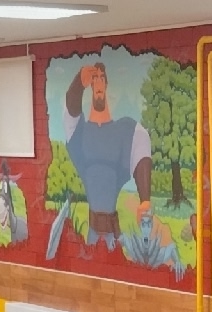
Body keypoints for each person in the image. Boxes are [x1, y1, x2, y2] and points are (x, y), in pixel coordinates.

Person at [61, 62, 152, 251]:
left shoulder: (123, 130)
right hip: (92, 231)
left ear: (106, 84)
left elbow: (141, 151)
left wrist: (145, 200)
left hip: (113, 231)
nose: (99, 83)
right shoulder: (81, 132)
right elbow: (71, 109)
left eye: (102, 79)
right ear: (91, 85)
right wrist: (78, 82)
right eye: (95, 79)